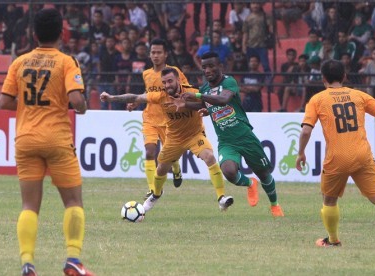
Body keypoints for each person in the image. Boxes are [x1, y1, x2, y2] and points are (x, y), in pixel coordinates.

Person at [0, 8, 94, 276]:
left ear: (33, 33)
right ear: (62, 33)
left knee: (29, 206)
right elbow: (77, 102)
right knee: (73, 202)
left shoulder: (19, 62)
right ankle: (73, 259)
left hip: (26, 139)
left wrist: (29, 105)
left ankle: (27, 263)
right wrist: (81, 105)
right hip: (56, 139)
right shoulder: (66, 62)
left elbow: (3, 102)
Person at [295, 60, 375, 248]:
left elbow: (306, 131)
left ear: (323, 78)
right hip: (362, 155)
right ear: (344, 77)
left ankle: (333, 240)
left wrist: (301, 153)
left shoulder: (317, 100)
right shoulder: (359, 96)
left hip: (337, 158)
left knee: (329, 200)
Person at [100, 67, 234, 212]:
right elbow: (136, 97)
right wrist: (112, 98)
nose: (167, 85)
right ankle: (156, 194)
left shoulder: (192, 92)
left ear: (178, 80)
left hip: (194, 135)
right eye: (164, 82)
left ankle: (221, 198)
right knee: (161, 169)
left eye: (170, 81)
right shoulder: (160, 96)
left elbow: (211, 103)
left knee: (209, 157)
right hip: (174, 139)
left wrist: (206, 110)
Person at [174, 52, 284, 217]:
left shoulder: (229, 82)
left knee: (264, 173)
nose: (208, 70)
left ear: (220, 66)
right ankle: (250, 183)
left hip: (245, 136)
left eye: (211, 66)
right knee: (229, 171)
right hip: (226, 141)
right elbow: (205, 105)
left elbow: (223, 100)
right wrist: (186, 104)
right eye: (204, 67)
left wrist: (195, 95)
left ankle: (274, 205)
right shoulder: (204, 88)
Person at [128, 39, 184, 198]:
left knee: (170, 155)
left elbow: (185, 89)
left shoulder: (174, 72)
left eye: (159, 52)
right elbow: (148, 94)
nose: (155, 55)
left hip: (169, 120)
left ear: (166, 54)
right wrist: (135, 102)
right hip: (150, 119)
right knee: (150, 152)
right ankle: (153, 189)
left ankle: (176, 169)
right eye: (153, 52)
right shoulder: (146, 74)